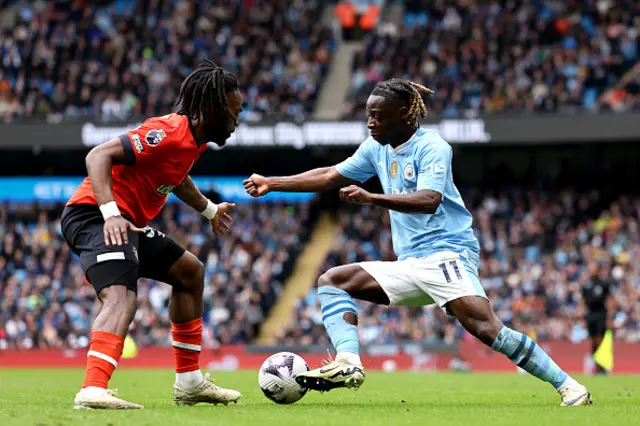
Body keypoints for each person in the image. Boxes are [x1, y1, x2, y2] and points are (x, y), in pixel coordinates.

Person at [244, 78, 592, 407]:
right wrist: (272, 183)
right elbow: (330, 175)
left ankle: (569, 387)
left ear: (403, 116)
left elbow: (429, 199)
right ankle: (349, 362)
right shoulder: (374, 149)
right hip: (410, 262)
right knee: (333, 281)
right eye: (368, 115)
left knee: (488, 330)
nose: (370, 123)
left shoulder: (432, 146)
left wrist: (373, 198)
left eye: (378, 116)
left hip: (447, 254)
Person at [61, 60, 243, 410]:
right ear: (209, 110)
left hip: (127, 221)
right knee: (121, 296)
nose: (237, 122)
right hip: (93, 214)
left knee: (191, 272)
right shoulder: (168, 131)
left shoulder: (194, 143)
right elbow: (98, 155)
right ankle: (93, 389)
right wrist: (110, 213)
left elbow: (176, 178)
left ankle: (189, 384)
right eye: (233, 113)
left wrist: (208, 209)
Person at [582, 262, 616, 375]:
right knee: (593, 341)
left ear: (598, 270)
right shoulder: (586, 285)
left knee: (600, 339)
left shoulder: (604, 284)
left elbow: (610, 299)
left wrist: (610, 318)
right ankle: (597, 366)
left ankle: (601, 364)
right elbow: (583, 301)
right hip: (590, 315)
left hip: (601, 314)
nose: (591, 271)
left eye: (593, 268)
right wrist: (581, 317)